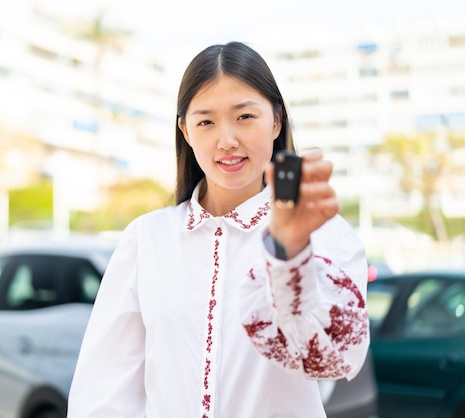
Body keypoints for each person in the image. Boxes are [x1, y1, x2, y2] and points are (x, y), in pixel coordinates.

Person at [68, 41, 369, 418]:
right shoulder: (145, 240)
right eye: (206, 121)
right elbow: (103, 393)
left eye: (244, 117)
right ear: (186, 130)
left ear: (277, 121)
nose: (226, 140)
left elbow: (335, 358)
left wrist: (288, 256)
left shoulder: (325, 235)